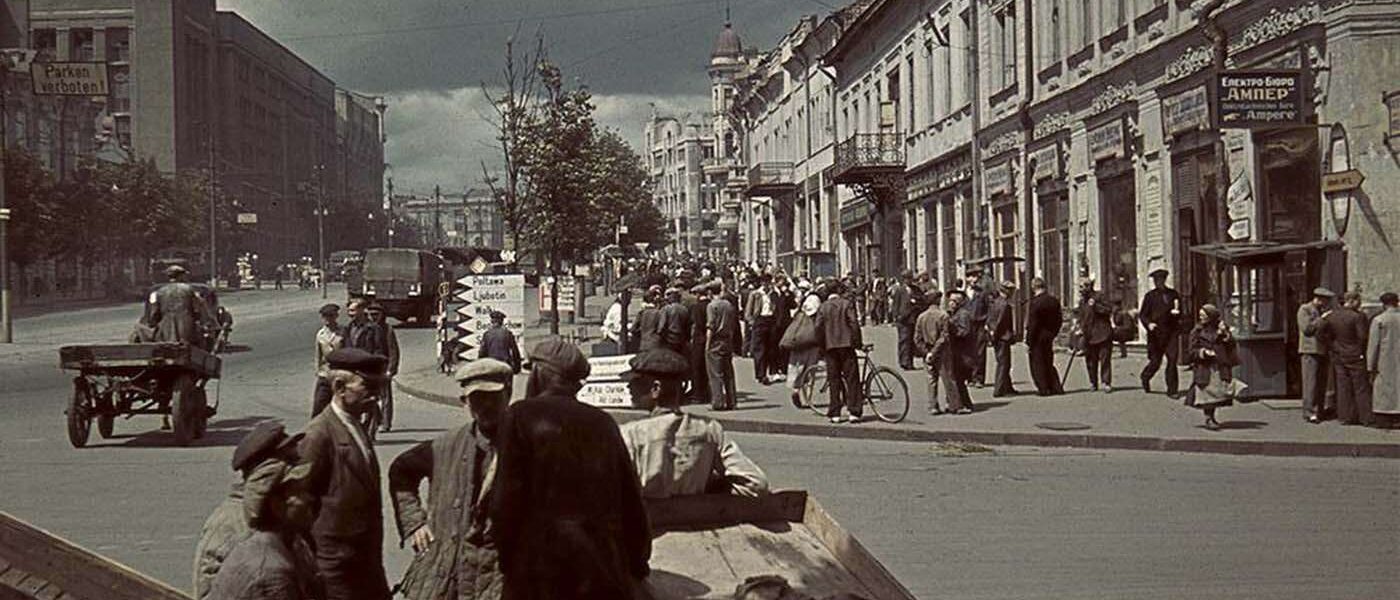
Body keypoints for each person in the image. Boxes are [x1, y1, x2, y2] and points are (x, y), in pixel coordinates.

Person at [490, 337, 652, 600]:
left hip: (539, 570)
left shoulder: (518, 416)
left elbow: (505, 500)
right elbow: (631, 501)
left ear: (541, 374)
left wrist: (507, 559)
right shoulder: (603, 422)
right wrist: (636, 563)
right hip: (599, 569)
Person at [389, 359, 514, 600]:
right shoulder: (445, 446)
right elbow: (402, 471)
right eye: (477, 399)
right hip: (448, 573)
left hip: (501, 574)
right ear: (464, 402)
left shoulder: (526, 446)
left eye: (493, 397)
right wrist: (415, 524)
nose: (486, 405)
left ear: (508, 395)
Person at [296, 348, 392, 600]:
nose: (376, 397)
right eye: (368, 388)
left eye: (378, 388)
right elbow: (298, 506)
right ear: (339, 387)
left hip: (366, 565)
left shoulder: (356, 425)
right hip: (335, 571)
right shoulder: (318, 435)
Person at [619, 349, 768, 499]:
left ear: (655, 389)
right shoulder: (710, 430)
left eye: (635, 381)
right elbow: (756, 484)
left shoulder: (631, 434)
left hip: (649, 520)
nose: (629, 387)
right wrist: (710, 487)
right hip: (697, 518)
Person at [193, 422, 305, 600]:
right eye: (289, 458)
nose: (298, 462)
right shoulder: (229, 523)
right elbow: (207, 590)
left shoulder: (279, 517)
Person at [1314, 291, 1374, 427]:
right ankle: (1365, 417)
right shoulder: (1358, 317)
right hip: (1355, 354)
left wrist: (1331, 345)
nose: (1360, 303)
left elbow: (1319, 332)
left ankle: (1345, 416)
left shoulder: (1332, 315)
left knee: (1343, 386)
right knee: (1361, 387)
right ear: (1352, 301)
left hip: (1338, 354)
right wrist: (1360, 350)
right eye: (1359, 300)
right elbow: (1363, 337)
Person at [1183, 305, 1239, 431]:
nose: (1201, 318)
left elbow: (1231, 345)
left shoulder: (1221, 328)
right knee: (1206, 393)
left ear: (1211, 317)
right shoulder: (1197, 331)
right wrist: (1202, 352)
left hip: (1219, 365)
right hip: (1204, 367)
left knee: (1216, 393)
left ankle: (1212, 416)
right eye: (1200, 315)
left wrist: (1225, 335)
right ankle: (1209, 418)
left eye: (1204, 315)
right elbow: (1191, 351)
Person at [816, 280, 863, 424]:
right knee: (852, 379)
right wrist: (857, 342)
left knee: (834, 379)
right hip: (846, 345)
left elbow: (818, 328)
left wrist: (822, 345)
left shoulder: (823, 307)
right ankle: (853, 411)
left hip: (830, 347)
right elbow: (854, 323)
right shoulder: (846, 304)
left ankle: (835, 412)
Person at [147, 264, 217, 348]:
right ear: (181, 276)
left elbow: (154, 315)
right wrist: (205, 323)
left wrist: (154, 324)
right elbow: (198, 310)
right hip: (188, 333)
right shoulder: (189, 290)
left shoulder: (160, 292)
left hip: (165, 334)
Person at [1138, 268, 1183, 397]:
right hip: (1156, 334)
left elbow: (1180, 309)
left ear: (1165, 280)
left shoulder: (1173, 294)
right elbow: (1143, 315)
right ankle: (1145, 377)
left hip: (1171, 333)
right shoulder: (1150, 296)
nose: (1159, 282)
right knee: (1155, 362)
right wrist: (1149, 324)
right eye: (1157, 280)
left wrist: (1178, 315)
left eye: (1161, 280)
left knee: (1172, 360)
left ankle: (1172, 390)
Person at [783, 281, 824, 409]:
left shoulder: (800, 313)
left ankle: (795, 390)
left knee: (797, 368)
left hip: (797, 343)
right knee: (810, 371)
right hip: (812, 345)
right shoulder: (816, 313)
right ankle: (808, 399)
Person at [1298, 287, 1335, 423]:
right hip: (1310, 350)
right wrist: (1321, 319)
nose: (1326, 304)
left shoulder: (1322, 311)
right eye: (1325, 300)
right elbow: (1307, 329)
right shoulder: (1305, 309)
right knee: (1310, 382)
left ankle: (1319, 409)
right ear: (1318, 299)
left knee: (1321, 382)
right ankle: (1309, 412)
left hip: (1323, 350)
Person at [1023, 277, 1064, 396]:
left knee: (1037, 363)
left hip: (1037, 337)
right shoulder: (1053, 301)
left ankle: (1044, 388)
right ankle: (1055, 386)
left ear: (1033, 288)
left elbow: (1033, 324)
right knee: (1048, 361)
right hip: (1049, 336)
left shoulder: (1035, 303)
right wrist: (1053, 333)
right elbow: (1059, 319)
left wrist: (1028, 341)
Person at [1367, 292, 1400, 429]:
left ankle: (1385, 418)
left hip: (1384, 358)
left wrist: (1370, 366)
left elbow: (1373, 345)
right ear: (1396, 302)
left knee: (1383, 388)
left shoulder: (1379, 320)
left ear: (1383, 304)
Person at [914, 289, 949, 415]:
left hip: (927, 352)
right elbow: (944, 336)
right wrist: (935, 351)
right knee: (946, 378)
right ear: (938, 301)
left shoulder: (921, 317)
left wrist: (926, 352)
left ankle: (933, 405)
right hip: (941, 351)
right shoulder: (943, 315)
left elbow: (917, 338)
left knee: (931, 379)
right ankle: (950, 403)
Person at [1076, 278, 1115, 392]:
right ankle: (1093, 382)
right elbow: (1082, 317)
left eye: (1082, 287)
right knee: (1090, 361)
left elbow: (1108, 310)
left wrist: (1096, 306)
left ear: (1089, 286)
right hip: (1089, 335)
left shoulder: (1099, 296)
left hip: (1103, 333)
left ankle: (1106, 382)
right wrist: (1080, 329)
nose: (1080, 290)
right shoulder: (1082, 301)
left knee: (1105, 359)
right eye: (1079, 287)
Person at [707, 280, 740, 411]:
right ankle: (732, 401)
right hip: (727, 340)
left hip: (715, 340)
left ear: (710, 292)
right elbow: (732, 325)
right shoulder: (728, 305)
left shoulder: (712, 306)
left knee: (715, 373)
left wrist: (707, 345)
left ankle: (718, 402)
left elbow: (710, 326)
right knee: (728, 373)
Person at [944, 289, 976, 414]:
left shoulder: (963, 315)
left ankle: (964, 404)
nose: (950, 303)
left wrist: (951, 329)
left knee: (959, 379)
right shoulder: (953, 314)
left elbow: (964, 332)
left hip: (963, 353)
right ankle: (955, 402)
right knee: (956, 379)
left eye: (953, 301)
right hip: (956, 352)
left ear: (960, 302)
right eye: (950, 300)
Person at [988, 281, 1020, 397]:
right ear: (1007, 291)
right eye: (1011, 291)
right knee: (1003, 364)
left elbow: (990, 320)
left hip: (998, 337)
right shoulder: (1004, 305)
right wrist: (996, 335)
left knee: (1004, 362)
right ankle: (999, 390)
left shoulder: (995, 302)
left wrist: (991, 334)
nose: (1012, 293)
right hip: (1002, 337)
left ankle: (1008, 387)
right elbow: (1000, 322)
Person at [312, 303, 343, 417]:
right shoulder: (320, 334)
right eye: (325, 316)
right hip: (325, 374)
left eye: (330, 316)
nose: (327, 319)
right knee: (319, 404)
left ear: (336, 316)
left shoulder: (343, 332)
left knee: (341, 406)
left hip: (340, 374)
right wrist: (318, 371)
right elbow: (318, 355)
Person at [745, 274, 777, 385]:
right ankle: (761, 374)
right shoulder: (756, 294)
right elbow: (748, 311)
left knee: (770, 348)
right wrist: (751, 322)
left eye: (768, 282)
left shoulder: (773, 294)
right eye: (764, 282)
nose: (766, 284)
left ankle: (768, 372)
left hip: (770, 320)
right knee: (759, 349)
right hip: (760, 320)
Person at [965, 267, 991, 387]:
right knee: (968, 351)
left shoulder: (982, 293)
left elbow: (989, 309)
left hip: (980, 324)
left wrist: (987, 324)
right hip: (967, 326)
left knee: (980, 352)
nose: (974, 279)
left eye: (976, 277)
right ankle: (969, 377)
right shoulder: (964, 294)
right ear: (966, 278)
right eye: (971, 276)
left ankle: (979, 378)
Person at [687, 283, 711, 405]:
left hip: (699, 339)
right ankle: (707, 392)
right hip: (711, 339)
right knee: (707, 368)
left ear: (698, 294)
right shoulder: (711, 305)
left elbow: (697, 324)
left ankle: (698, 394)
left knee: (696, 367)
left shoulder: (697, 307)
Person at [480, 311, 523, 375]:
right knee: (507, 384)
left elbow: (482, 353)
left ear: (491, 321)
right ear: (502, 321)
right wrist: (517, 368)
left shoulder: (486, 334)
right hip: (505, 365)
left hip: (491, 366)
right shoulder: (508, 334)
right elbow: (515, 351)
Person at [890, 271, 916, 371]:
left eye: (910, 278)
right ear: (904, 279)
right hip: (903, 319)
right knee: (904, 340)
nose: (909, 280)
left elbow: (920, 299)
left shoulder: (914, 289)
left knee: (910, 341)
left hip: (912, 318)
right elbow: (895, 304)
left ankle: (909, 361)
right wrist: (896, 316)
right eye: (907, 278)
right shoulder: (900, 290)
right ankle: (903, 361)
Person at [658, 287, 692, 356]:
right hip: (681, 340)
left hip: (669, 340)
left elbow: (661, 327)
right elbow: (688, 327)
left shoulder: (666, 309)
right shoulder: (684, 309)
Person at [631, 285, 664, 353]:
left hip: (643, 345)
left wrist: (642, 333)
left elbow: (633, 329)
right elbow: (661, 329)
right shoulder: (658, 313)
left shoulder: (641, 313)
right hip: (656, 345)